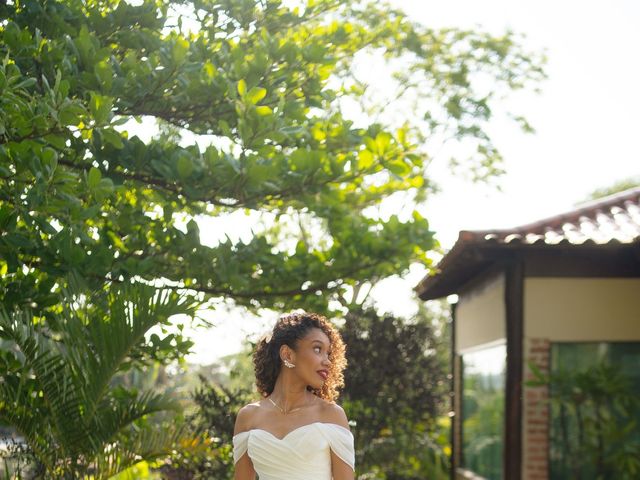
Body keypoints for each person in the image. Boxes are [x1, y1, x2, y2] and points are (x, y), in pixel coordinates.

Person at [233, 312, 355, 480]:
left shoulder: (331, 415)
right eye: (318, 349)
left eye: (328, 353)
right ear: (287, 355)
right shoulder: (248, 417)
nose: (327, 361)